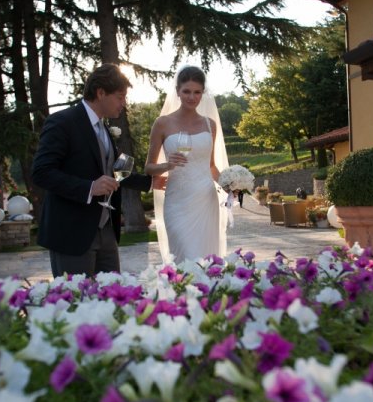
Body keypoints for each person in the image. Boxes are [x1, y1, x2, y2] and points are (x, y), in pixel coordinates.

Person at [32, 63, 153, 277]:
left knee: (112, 302)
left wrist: (150, 183)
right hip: (72, 233)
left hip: (106, 231)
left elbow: (114, 171)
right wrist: (89, 187)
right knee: (78, 303)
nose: (124, 103)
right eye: (120, 96)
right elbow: (41, 172)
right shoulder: (62, 122)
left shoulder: (104, 128)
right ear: (100, 93)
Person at [145, 66, 229, 263]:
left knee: (207, 261)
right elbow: (148, 167)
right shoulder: (163, 123)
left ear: (203, 93)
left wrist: (230, 185)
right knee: (186, 257)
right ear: (178, 92)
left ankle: (209, 294)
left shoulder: (210, 124)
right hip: (177, 202)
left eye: (197, 92)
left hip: (206, 201)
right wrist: (167, 165)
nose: (192, 97)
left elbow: (211, 166)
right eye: (187, 91)